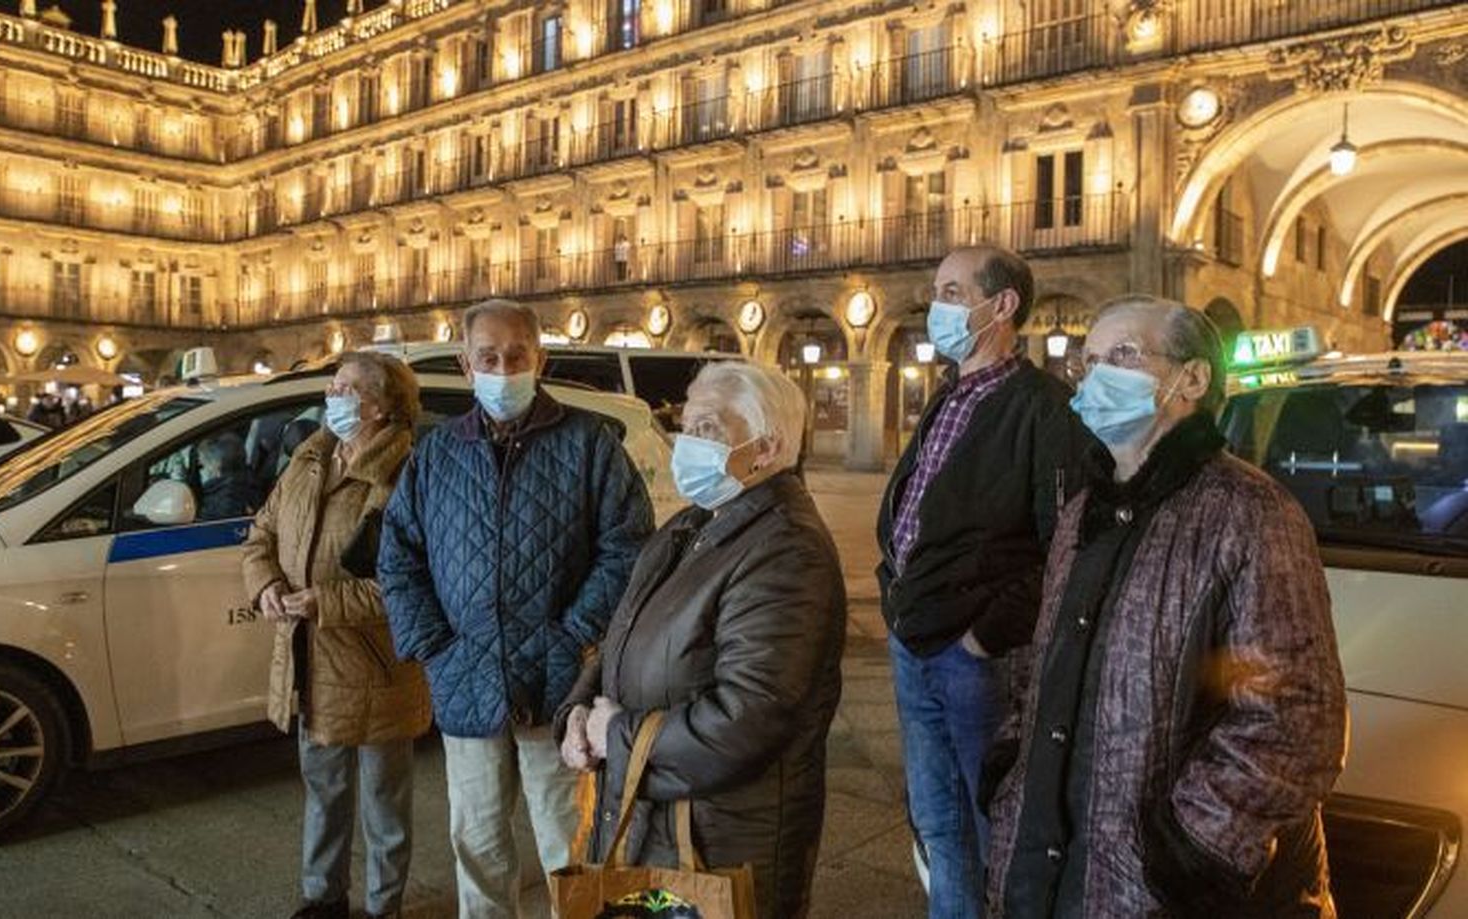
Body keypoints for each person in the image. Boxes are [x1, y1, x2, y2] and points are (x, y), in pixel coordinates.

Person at [983, 297, 1346, 917]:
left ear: (1192, 378)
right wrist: (1014, 766)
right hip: (1052, 870)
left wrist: (1192, 848)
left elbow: (1295, 718)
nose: (1097, 375)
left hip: (1161, 889)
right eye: (1088, 360)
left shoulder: (1249, 512)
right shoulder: (1082, 514)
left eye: (1122, 355)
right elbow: (1046, 660)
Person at [379, 298, 654, 919]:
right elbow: (399, 558)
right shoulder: (437, 454)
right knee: (475, 842)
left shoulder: (590, 444)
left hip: (559, 684)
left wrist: (574, 634)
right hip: (465, 679)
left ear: (541, 359)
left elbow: (627, 548)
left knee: (569, 843)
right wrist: (435, 649)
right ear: (466, 364)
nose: (503, 369)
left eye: (516, 356)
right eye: (488, 357)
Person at [556, 362, 846, 919]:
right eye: (686, 426)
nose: (687, 443)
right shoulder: (691, 526)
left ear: (766, 447)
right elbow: (624, 633)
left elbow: (747, 717)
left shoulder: (786, 550)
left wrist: (615, 733)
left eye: (708, 428)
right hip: (653, 821)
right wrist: (578, 711)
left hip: (722, 841)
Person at [877, 245, 1096, 918]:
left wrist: (984, 634)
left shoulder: (1044, 409)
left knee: (989, 821)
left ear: (1001, 305)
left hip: (976, 657)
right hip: (914, 641)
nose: (936, 305)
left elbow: (1064, 541)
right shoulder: (948, 396)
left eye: (951, 290)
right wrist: (893, 588)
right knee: (937, 823)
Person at [242, 352, 432, 919]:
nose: (332, 393)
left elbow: (415, 583)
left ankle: (383, 906)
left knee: (384, 803)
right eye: (334, 383)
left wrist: (325, 600)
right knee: (323, 793)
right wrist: (267, 584)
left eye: (345, 386)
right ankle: (322, 897)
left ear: (377, 406)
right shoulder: (311, 456)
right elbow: (261, 534)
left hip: (377, 669)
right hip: (310, 660)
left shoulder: (405, 474)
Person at [196, 431, 254, 519]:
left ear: (216, 465)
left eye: (203, 465)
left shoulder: (222, 503)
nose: (200, 471)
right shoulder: (247, 485)